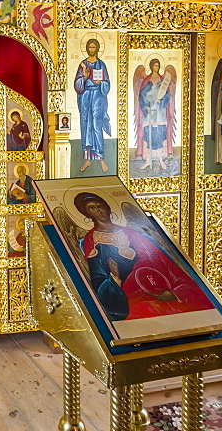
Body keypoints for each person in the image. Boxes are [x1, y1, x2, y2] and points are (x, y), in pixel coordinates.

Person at [73, 191, 213, 323]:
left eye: (100, 206)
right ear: (87, 214)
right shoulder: (91, 241)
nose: (98, 210)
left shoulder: (134, 233)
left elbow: (164, 264)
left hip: (158, 286)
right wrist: (114, 277)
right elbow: (97, 278)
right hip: (128, 298)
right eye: (92, 208)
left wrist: (175, 293)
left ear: (108, 208)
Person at [74, 38, 111, 173]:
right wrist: (84, 77)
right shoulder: (82, 65)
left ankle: (101, 158)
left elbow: (107, 84)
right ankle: (87, 159)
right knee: (86, 126)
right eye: (89, 47)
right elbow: (77, 85)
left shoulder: (101, 65)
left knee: (96, 125)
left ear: (97, 48)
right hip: (85, 97)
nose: (91, 50)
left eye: (93, 47)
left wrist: (99, 83)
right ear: (87, 49)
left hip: (98, 97)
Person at [135, 58, 174, 172]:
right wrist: (146, 106)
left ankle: (161, 159)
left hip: (159, 112)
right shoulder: (147, 80)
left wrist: (161, 102)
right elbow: (141, 95)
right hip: (149, 111)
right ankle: (148, 160)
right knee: (149, 134)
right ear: (151, 67)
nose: (155, 68)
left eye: (157, 66)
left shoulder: (163, 80)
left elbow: (167, 95)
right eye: (154, 66)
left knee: (159, 134)